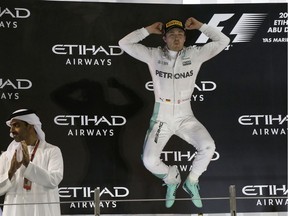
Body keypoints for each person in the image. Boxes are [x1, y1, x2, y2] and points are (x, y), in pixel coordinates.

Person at [119, 17, 230, 208]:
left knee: (208, 146)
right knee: (149, 160)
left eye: (180, 34)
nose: (176, 38)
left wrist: (201, 26)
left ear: (185, 37)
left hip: (185, 114)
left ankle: (191, 181)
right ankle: (172, 178)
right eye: (171, 35)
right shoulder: (153, 55)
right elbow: (124, 43)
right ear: (164, 38)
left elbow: (223, 41)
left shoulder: (195, 54)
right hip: (162, 115)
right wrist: (147, 30)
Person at [0, 109, 64, 216]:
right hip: (16, 211)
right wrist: (11, 172)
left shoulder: (52, 151)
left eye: (16, 125)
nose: (11, 130)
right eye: (11, 126)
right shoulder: (8, 155)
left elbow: (54, 180)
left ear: (30, 126)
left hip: (42, 210)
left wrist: (28, 165)